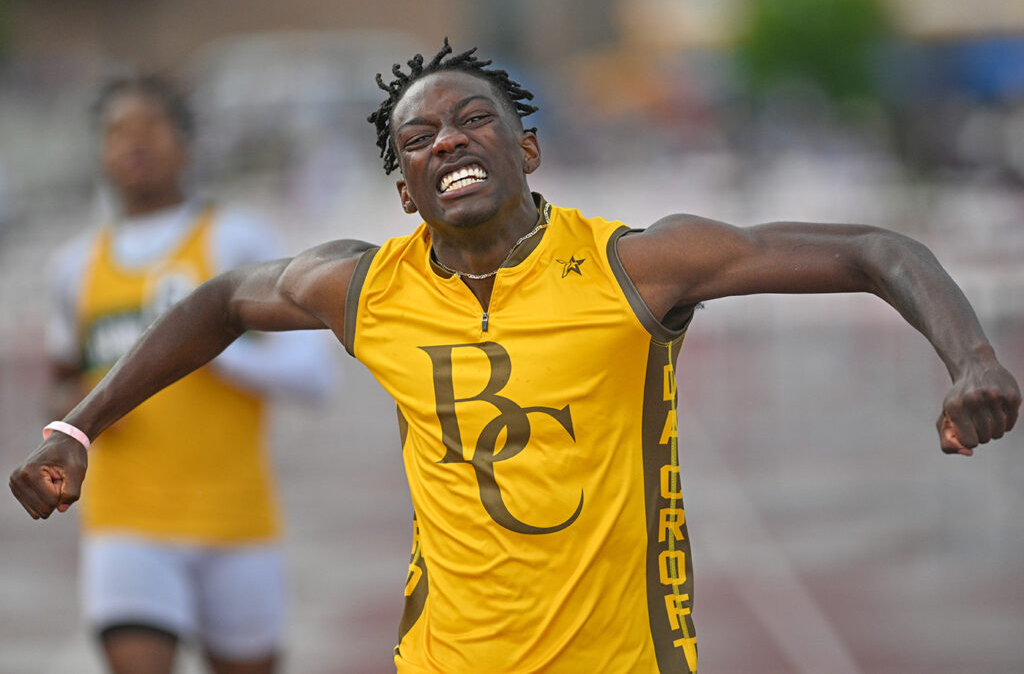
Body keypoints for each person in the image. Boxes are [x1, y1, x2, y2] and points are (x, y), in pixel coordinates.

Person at [11, 41, 1020, 674]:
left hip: (625, 656)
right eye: (418, 137)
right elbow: (220, 300)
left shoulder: (638, 265)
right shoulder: (368, 286)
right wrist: (76, 424)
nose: (446, 141)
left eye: (472, 118)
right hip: (442, 656)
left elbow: (875, 249)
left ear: (526, 150)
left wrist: (969, 355)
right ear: (404, 187)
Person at [39, 75, 333, 674]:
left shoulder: (236, 238)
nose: (133, 142)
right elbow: (62, 383)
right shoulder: (72, 266)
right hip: (127, 524)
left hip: (236, 519)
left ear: (187, 144)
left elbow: (314, 377)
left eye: (150, 127)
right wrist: (81, 410)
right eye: (117, 131)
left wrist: (205, 346)